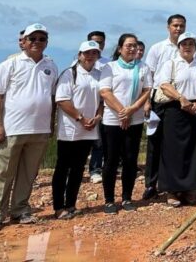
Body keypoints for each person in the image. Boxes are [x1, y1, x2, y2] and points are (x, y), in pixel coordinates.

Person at [0, 23, 59, 226]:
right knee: (3, 173)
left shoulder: (51, 66)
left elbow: (50, 97)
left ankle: (20, 210)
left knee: (28, 173)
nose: (37, 42)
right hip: (12, 128)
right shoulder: (10, 65)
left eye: (42, 39)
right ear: (23, 42)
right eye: (33, 38)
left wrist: (50, 124)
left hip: (39, 129)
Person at [143, 14, 196, 201]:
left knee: (177, 145)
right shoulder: (158, 48)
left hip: (184, 103)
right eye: (175, 25)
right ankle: (151, 183)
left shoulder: (190, 48)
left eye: (181, 25)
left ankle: (180, 184)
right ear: (168, 27)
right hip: (162, 99)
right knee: (156, 143)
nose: (178, 29)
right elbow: (149, 76)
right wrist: (147, 101)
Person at [99, 33, 152, 214]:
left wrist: (132, 110)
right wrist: (123, 112)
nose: (132, 48)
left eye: (135, 45)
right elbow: (105, 92)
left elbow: (147, 90)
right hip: (113, 119)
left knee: (130, 159)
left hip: (135, 119)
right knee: (111, 160)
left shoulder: (143, 67)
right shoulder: (110, 67)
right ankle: (109, 200)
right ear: (120, 48)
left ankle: (127, 197)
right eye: (128, 45)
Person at [52, 40, 103, 219]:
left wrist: (97, 117)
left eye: (94, 53)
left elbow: (102, 99)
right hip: (70, 129)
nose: (90, 56)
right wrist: (80, 118)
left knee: (78, 168)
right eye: (86, 53)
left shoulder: (99, 74)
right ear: (79, 54)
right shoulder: (69, 73)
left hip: (89, 129)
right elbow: (62, 100)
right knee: (63, 168)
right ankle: (58, 207)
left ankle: (71, 204)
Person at [156, 32, 196, 207]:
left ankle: (190, 188)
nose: (187, 47)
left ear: (195, 47)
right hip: (175, 109)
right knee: (173, 150)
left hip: (194, 110)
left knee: (193, 149)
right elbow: (164, 85)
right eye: (184, 44)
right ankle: (172, 190)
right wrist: (181, 98)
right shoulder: (170, 64)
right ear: (178, 47)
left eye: (191, 44)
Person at [86, 31, 108, 185]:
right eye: (94, 42)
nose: (97, 45)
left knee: (100, 141)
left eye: (100, 42)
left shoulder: (109, 63)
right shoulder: (79, 61)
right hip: (86, 107)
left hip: (104, 106)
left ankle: (96, 169)